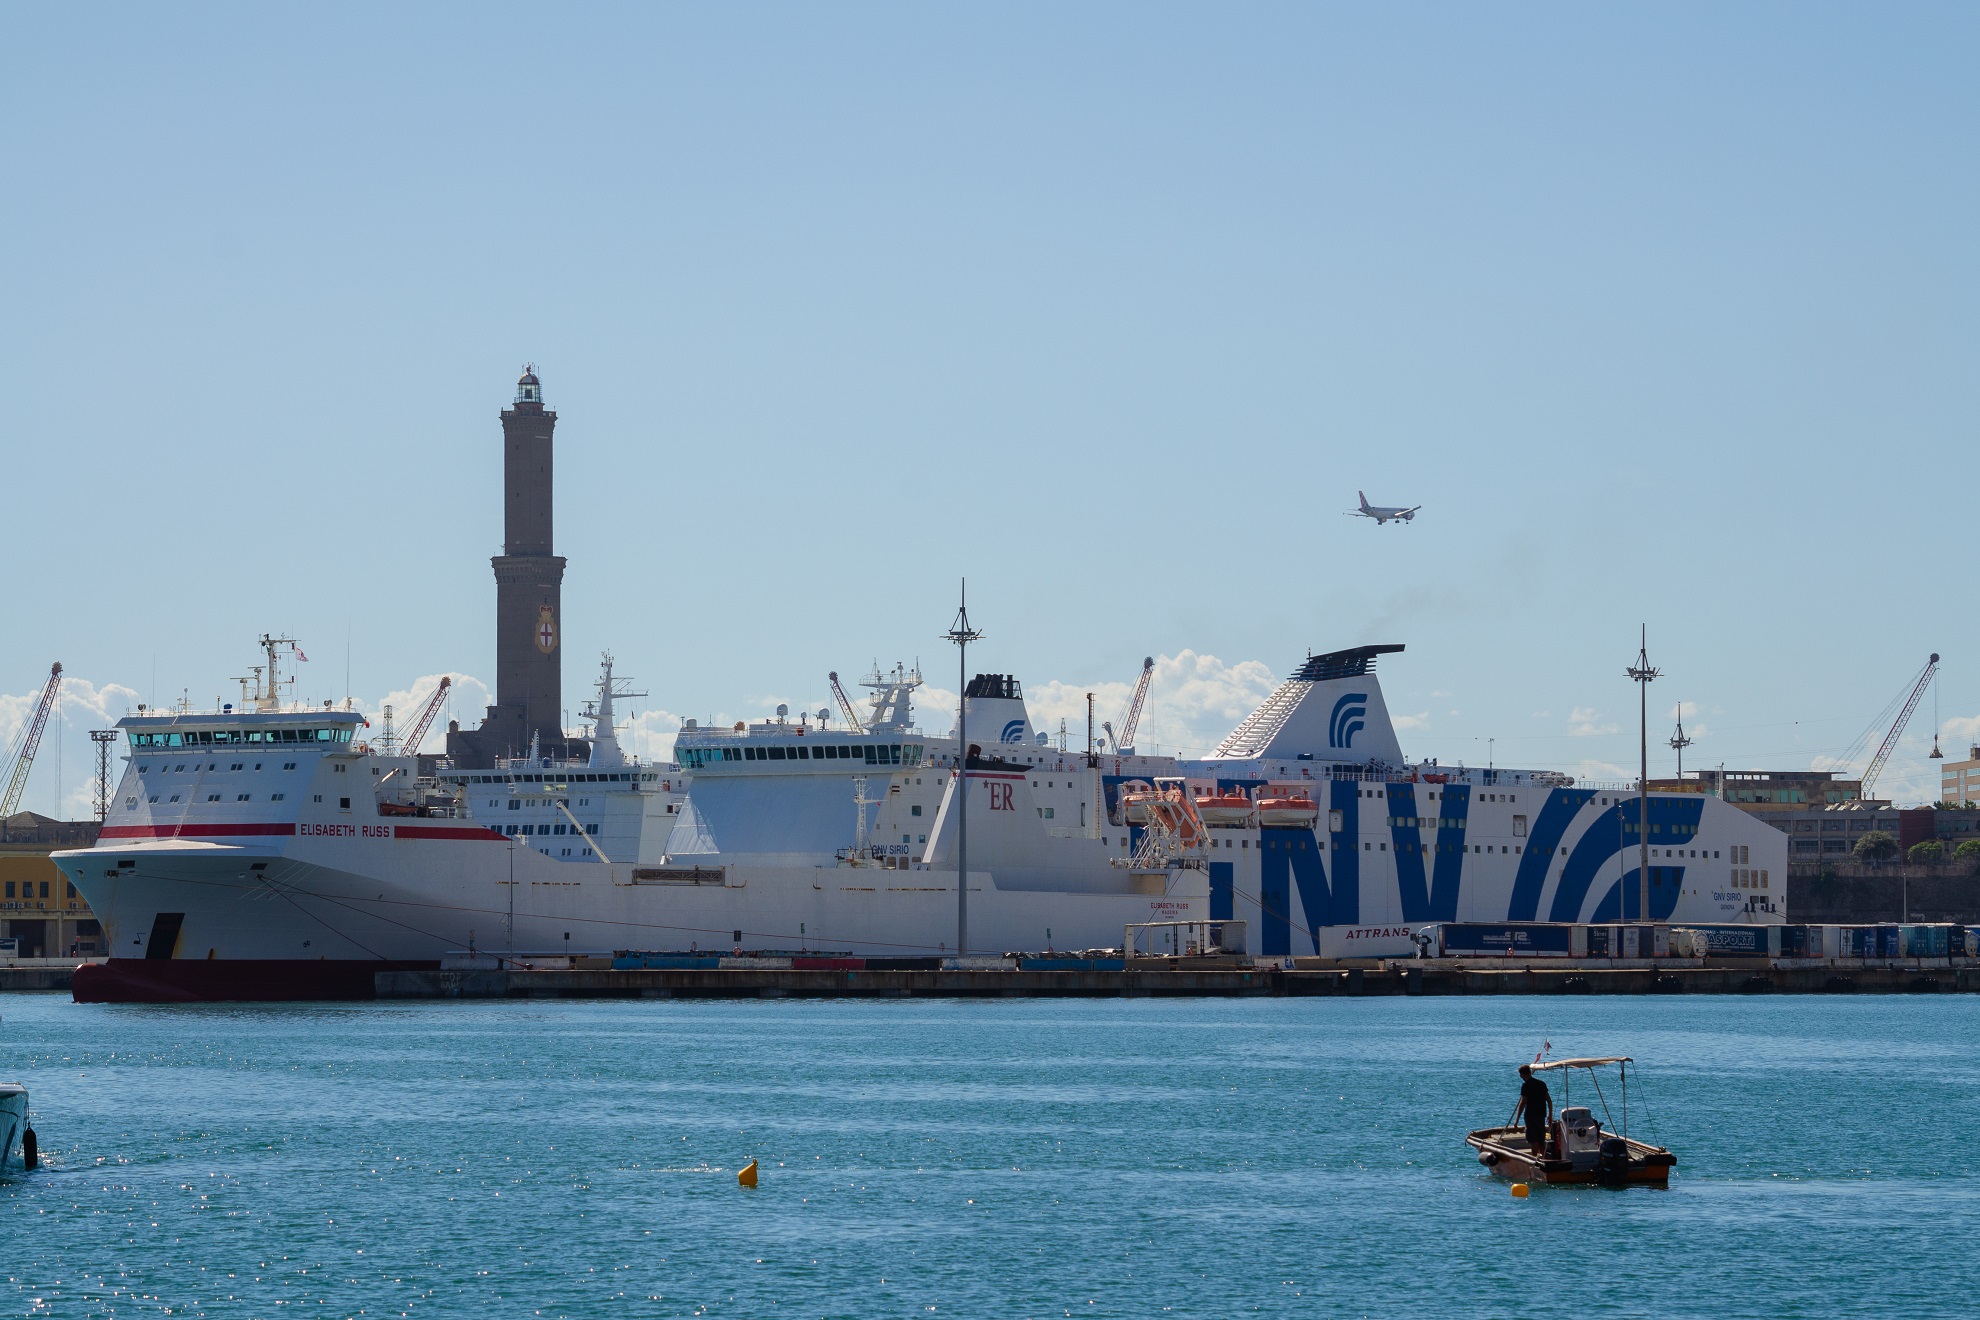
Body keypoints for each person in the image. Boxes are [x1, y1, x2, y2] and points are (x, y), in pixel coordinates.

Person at [1514, 1064, 1553, 1155]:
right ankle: (1543, 1158)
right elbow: (1549, 1101)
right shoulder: (1541, 1084)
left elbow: (1523, 1103)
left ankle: (1534, 1160)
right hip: (1541, 1115)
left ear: (1523, 1074)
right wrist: (1550, 1115)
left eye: (1520, 1075)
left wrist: (1516, 1120)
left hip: (1530, 1116)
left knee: (1533, 1140)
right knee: (1541, 1139)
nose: (1520, 1077)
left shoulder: (1526, 1085)